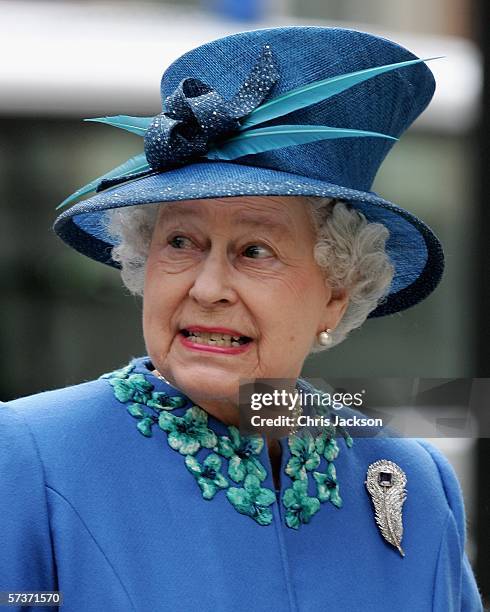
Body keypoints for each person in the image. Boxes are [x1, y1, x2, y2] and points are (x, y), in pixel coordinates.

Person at [0, 25, 483, 611]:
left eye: (255, 251)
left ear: (338, 290)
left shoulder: (415, 482)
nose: (207, 288)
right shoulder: (29, 455)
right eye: (180, 242)